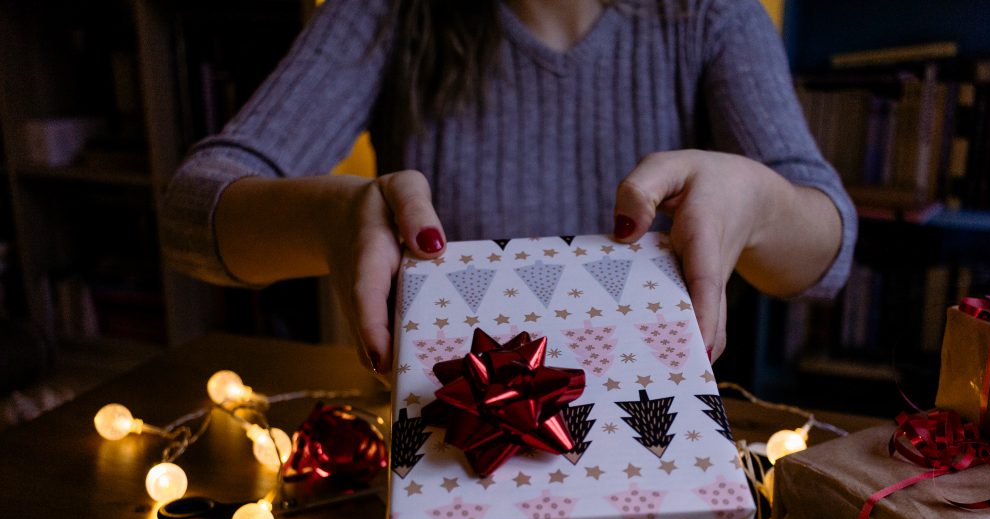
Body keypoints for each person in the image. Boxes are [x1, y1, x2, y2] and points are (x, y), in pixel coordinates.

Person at [161, 0, 855, 377]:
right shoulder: (388, 14)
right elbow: (191, 213)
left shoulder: (707, 15)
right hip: (449, 450)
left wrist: (760, 202)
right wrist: (332, 215)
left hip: (653, 470)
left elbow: (829, 251)